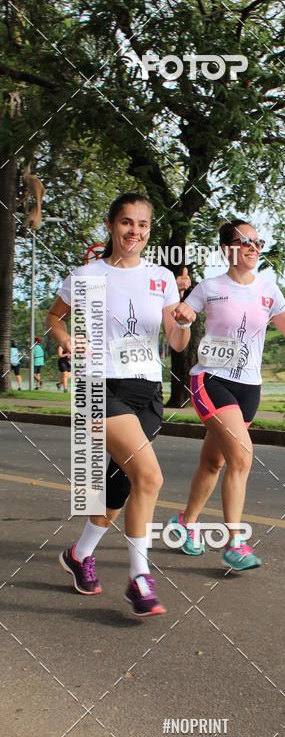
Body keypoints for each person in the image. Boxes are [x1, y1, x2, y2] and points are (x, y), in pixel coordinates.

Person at [46, 191, 192, 616]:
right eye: (127, 222)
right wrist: (66, 338)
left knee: (119, 486)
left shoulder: (162, 278)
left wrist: (182, 322)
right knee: (150, 476)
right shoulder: (87, 274)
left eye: (143, 225)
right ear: (111, 225)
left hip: (147, 389)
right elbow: (55, 316)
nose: (135, 231)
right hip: (99, 386)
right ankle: (140, 579)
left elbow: (176, 341)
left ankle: (77, 555)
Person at [169, 219, 285, 571]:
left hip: (249, 387)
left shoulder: (268, 289)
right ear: (227, 249)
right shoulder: (209, 287)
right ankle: (235, 542)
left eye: (257, 241)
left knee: (214, 461)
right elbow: (179, 330)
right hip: (211, 380)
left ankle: (185, 524)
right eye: (244, 241)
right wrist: (184, 315)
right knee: (242, 458)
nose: (253, 247)